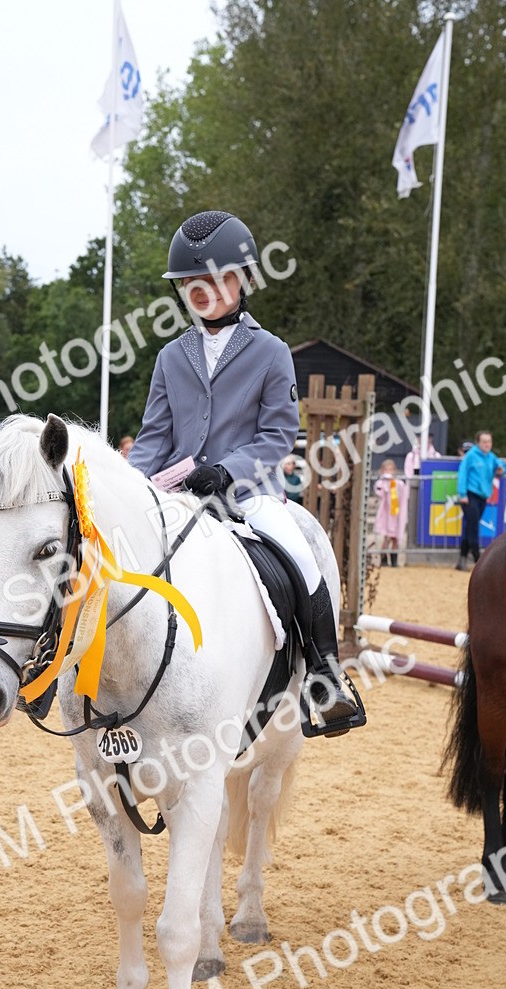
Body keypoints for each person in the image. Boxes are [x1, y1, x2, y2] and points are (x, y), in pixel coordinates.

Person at [127, 209, 359, 735]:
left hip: (250, 492)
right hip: (180, 494)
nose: (203, 292)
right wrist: (132, 485)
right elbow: (154, 436)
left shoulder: (271, 351)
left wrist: (227, 472)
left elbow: (277, 435)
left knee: (301, 554)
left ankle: (324, 679)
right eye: (191, 284)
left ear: (242, 280)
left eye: (214, 280)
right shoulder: (170, 357)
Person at [455, 430, 505, 570]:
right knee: (473, 526)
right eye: (484, 442)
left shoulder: (490, 457)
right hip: (470, 495)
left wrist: (501, 469)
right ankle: (478, 557)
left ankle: (462, 559)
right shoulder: (471, 456)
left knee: (470, 526)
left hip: (483, 496)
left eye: (489, 441)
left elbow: (500, 465)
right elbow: (462, 474)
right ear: (478, 442)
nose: (487, 444)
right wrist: (462, 493)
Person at [373, 459, 409, 567]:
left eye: (391, 469)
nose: (389, 472)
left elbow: (403, 496)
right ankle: (383, 559)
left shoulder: (398, 484)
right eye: (386, 469)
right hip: (386, 516)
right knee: (386, 538)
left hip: (396, 516)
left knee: (395, 539)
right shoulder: (381, 483)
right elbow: (379, 492)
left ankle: (394, 560)